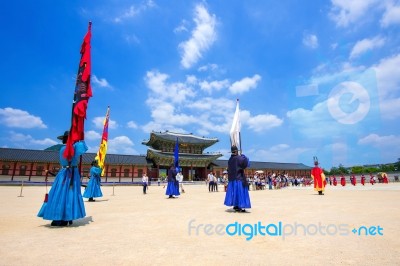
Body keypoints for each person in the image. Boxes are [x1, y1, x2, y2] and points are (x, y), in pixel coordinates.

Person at [37, 131, 87, 226]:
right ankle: (65, 217)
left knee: (59, 193)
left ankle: (59, 217)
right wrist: (80, 137)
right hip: (70, 173)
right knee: (69, 194)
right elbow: (82, 148)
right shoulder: (71, 149)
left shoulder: (62, 149)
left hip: (63, 173)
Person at [224, 145, 251, 212]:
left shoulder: (230, 160)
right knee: (240, 192)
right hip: (239, 178)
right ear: (236, 151)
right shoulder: (239, 158)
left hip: (232, 179)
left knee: (234, 192)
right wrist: (243, 156)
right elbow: (246, 163)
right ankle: (241, 206)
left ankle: (236, 205)